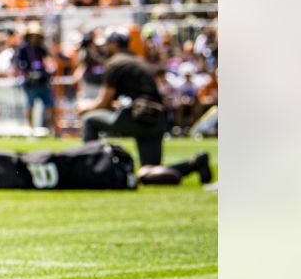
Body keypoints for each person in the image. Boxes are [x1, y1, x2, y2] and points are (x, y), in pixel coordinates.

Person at [78, 29, 212, 186]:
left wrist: (84, 108)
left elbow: (103, 102)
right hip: (156, 120)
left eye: (107, 44)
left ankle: (88, 170)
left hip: (138, 117)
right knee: (150, 172)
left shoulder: (115, 63)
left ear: (114, 45)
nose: (104, 48)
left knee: (89, 120)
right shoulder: (139, 61)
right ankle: (194, 164)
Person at [15, 22, 57, 136]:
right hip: (30, 83)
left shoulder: (41, 48)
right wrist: (28, 73)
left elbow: (49, 61)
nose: (34, 38)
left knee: (50, 105)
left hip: (43, 81)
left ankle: (53, 129)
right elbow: (19, 64)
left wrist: (48, 70)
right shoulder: (23, 49)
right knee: (30, 105)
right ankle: (30, 128)